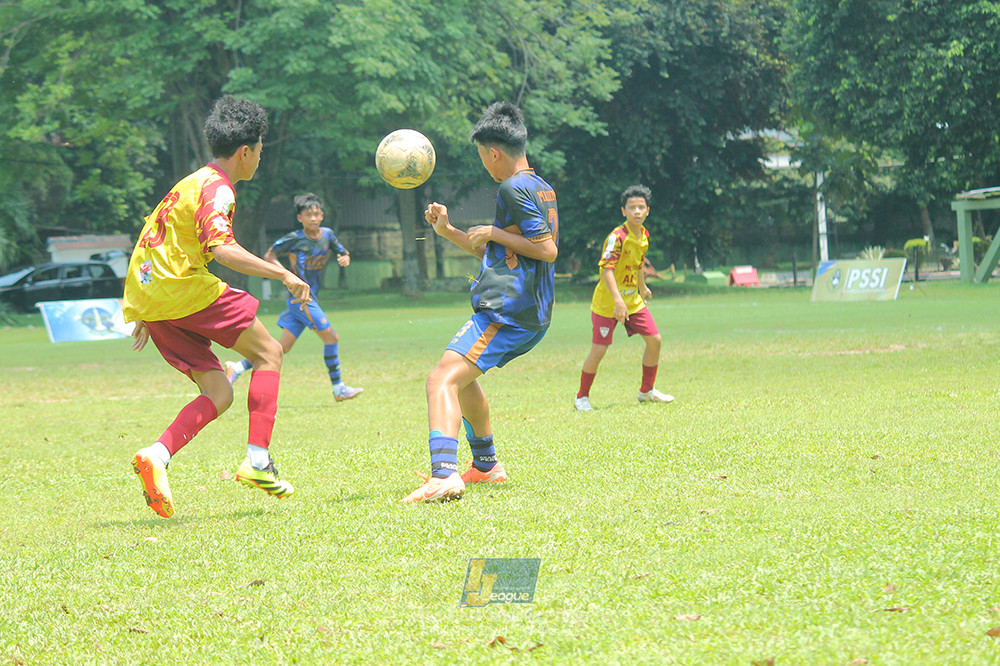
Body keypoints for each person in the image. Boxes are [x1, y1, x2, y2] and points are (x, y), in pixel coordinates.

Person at [124, 95, 310, 519]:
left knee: (219, 391)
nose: (259, 159)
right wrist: (283, 274)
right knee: (269, 352)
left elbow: (152, 238)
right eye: (260, 151)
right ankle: (258, 461)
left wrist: (146, 307)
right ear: (246, 151)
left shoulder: (188, 183)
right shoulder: (218, 189)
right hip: (181, 288)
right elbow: (222, 248)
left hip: (154, 292)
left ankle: (157, 454)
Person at [402, 101, 559, 503]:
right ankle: (486, 467)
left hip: (509, 312)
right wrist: (449, 230)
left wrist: (492, 230)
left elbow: (547, 250)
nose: (485, 167)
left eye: (482, 157)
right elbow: (507, 255)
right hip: (528, 312)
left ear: (494, 152)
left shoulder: (513, 187)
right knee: (463, 379)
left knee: (441, 380)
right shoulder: (541, 186)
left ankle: (443, 474)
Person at [225, 193, 363, 402]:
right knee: (331, 337)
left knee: (281, 348)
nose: (313, 218)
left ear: (322, 216)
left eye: (317, 214)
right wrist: (286, 276)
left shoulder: (328, 235)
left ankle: (237, 367)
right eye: (308, 215)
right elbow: (269, 255)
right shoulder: (294, 239)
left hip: (309, 297)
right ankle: (338, 388)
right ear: (300, 218)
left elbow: (343, 251)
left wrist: (344, 257)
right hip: (301, 299)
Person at [574, 184, 674, 411]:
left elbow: (638, 265)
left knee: (655, 340)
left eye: (641, 207)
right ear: (623, 211)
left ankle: (646, 391)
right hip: (608, 303)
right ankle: (582, 397)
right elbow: (607, 270)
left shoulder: (645, 235)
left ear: (648, 210)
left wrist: (643, 287)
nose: (637, 211)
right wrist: (618, 301)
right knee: (599, 350)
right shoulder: (616, 237)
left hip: (633, 301)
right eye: (632, 208)